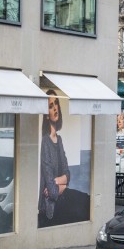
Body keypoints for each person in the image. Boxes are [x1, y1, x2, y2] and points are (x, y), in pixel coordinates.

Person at [38, 91, 90, 227]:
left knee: (86, 200)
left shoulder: (58, 139)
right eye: (50, 106)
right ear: (46, 114)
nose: (55, 108)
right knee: (83, 203)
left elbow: (68, 174)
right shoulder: (45, 141)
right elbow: (52, 193)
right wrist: (62, 183)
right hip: (51, 207)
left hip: (61, 200)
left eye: (56, 103)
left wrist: (58, 182)